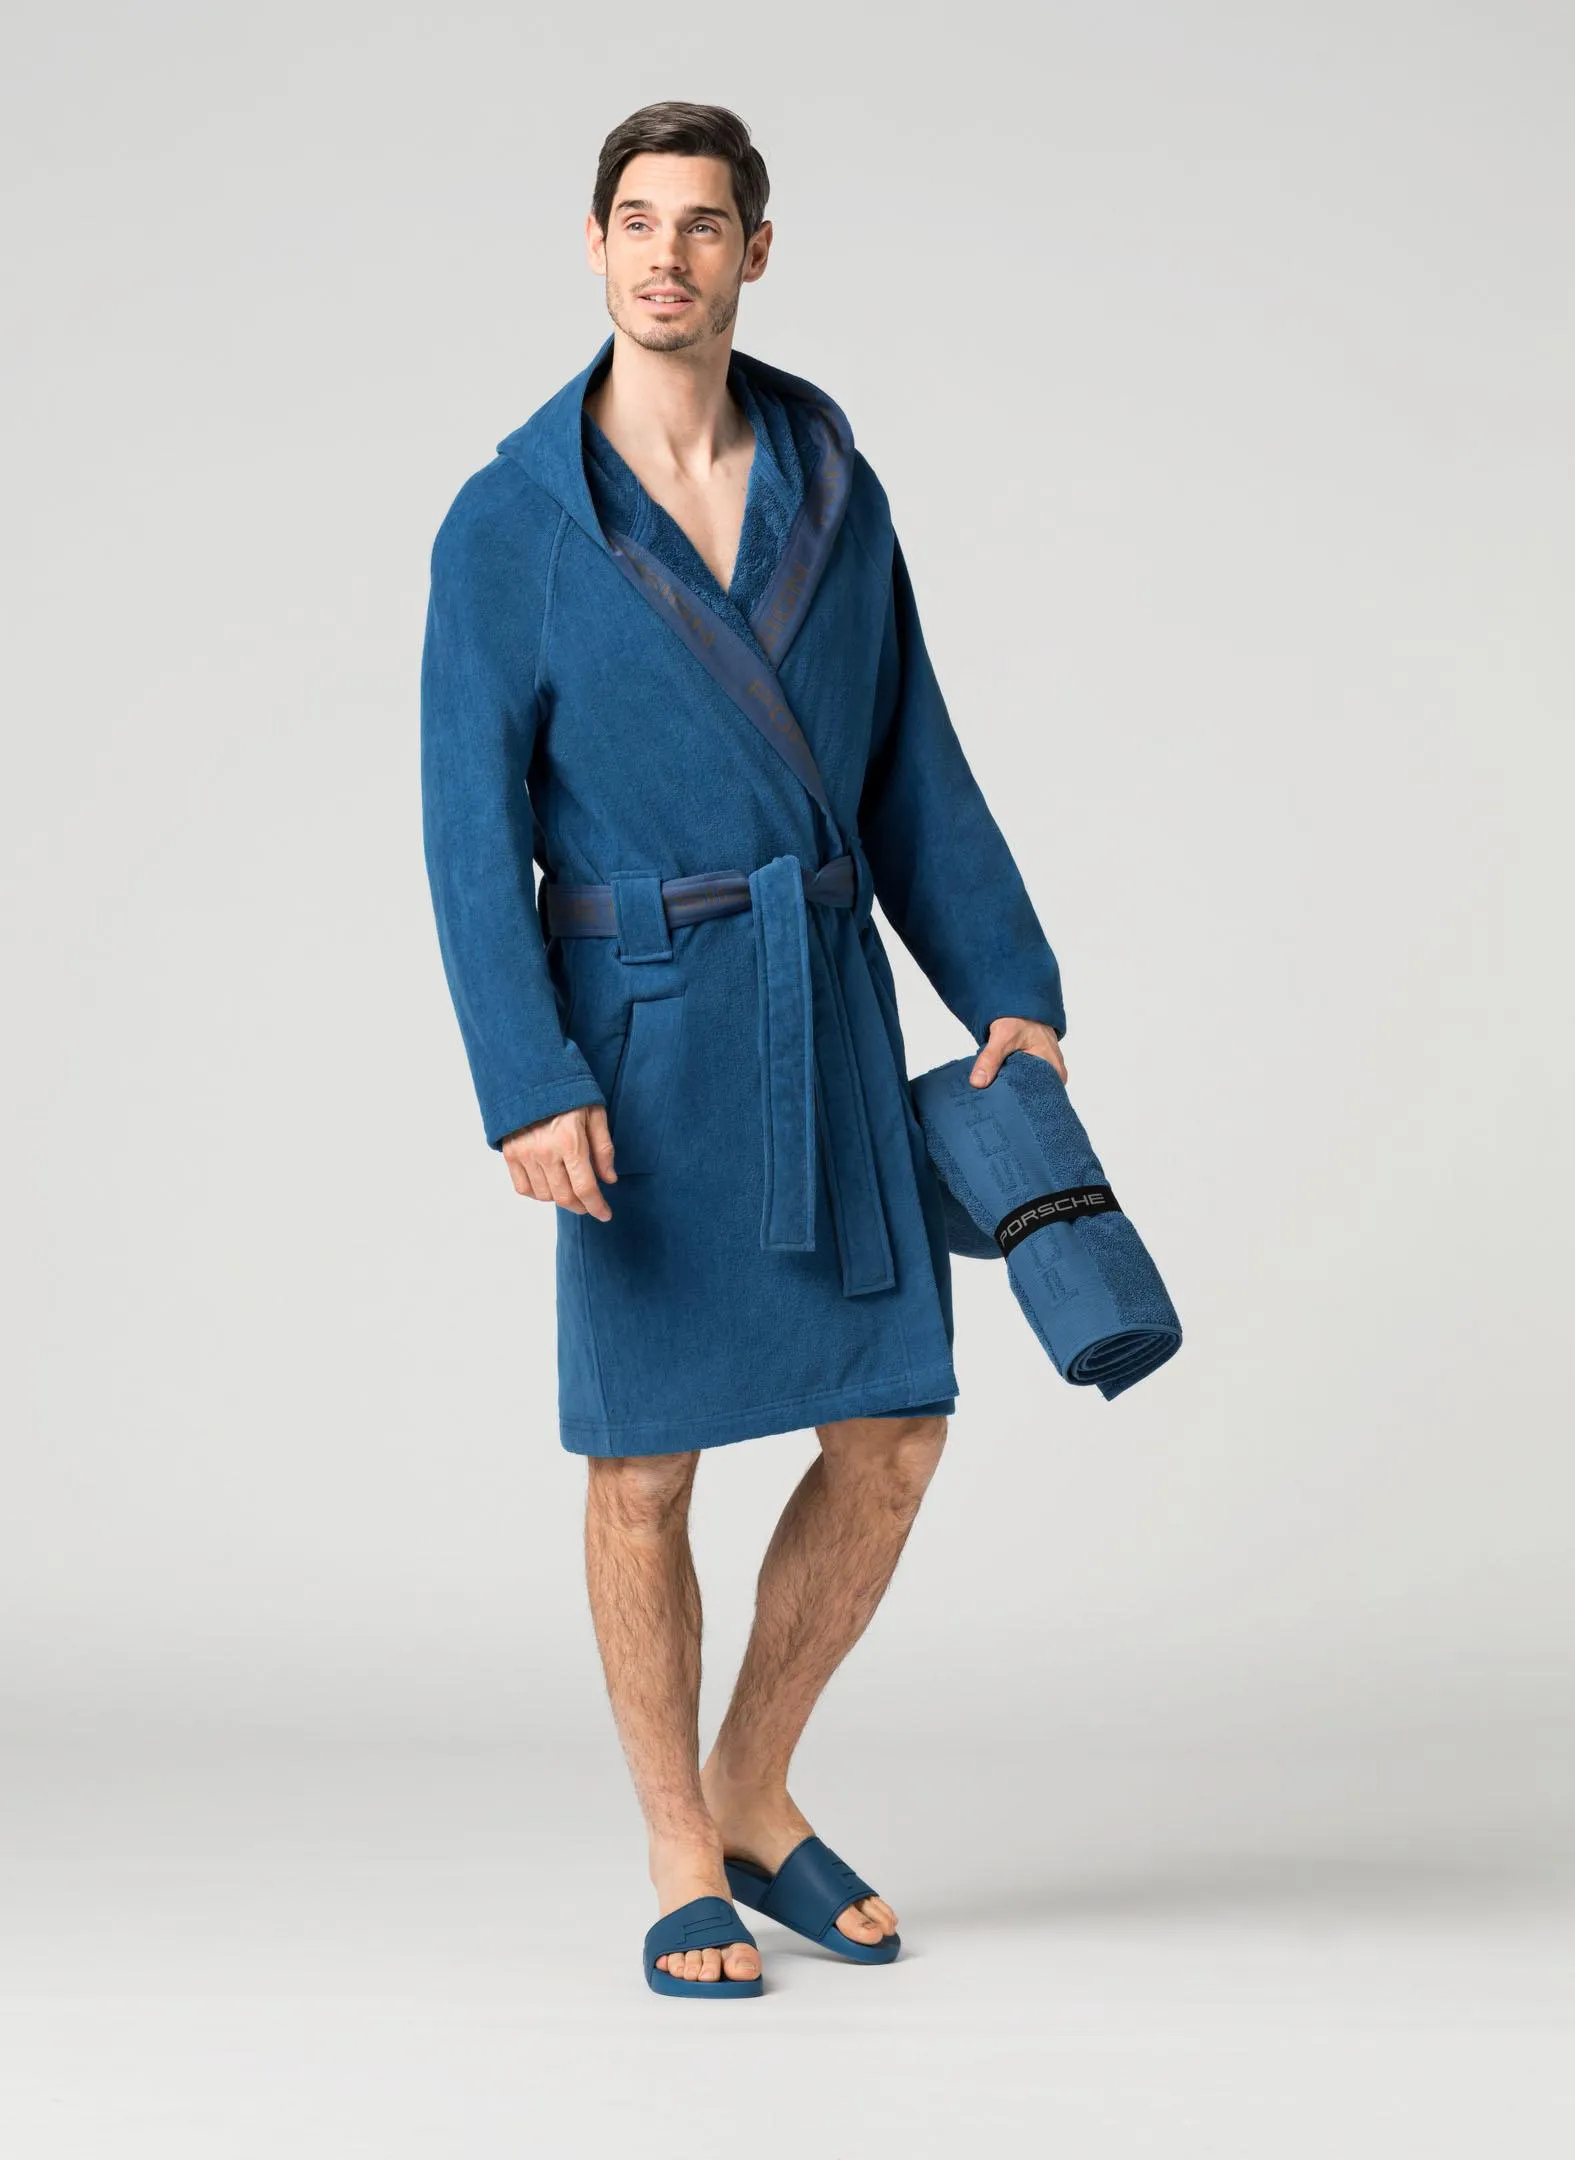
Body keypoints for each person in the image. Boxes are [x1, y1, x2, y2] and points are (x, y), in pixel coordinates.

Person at [420, 101, 1069, 1995]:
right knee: (646, 1465)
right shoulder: (515, 520)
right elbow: (466, 830)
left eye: (703, 224)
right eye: (636, 220)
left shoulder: (835, 493)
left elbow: (911, 756)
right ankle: (673, 1846)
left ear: (754, 253)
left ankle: (755, 1788)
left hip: (824, 1009)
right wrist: (529, 1077)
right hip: (639, 1037)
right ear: (595, 243)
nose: (667, 256)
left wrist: (1006, 978)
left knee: (895, 1430)